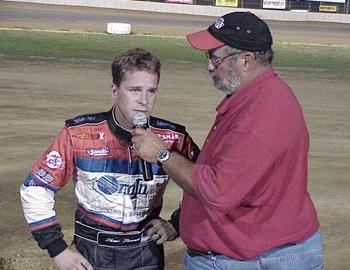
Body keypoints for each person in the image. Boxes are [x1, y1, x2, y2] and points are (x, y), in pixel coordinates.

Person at [131, 12, 324, 270]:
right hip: (260, 251)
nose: (209, 66)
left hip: (255, 259)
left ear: (246, 60)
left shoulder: (261, 116)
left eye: (215, 57)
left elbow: (217, 191)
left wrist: (161, 154)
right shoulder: (256, 98)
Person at [20, 48, 199, 270]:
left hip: (146, 253)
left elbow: (203, 185)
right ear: (115, 90)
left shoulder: (174, 138)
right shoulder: (79, 133)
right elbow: (35, 188)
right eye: (134, 90)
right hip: (91, 252)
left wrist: (176, 224)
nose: (144, 100)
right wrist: (57, 249)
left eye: (151, 91)